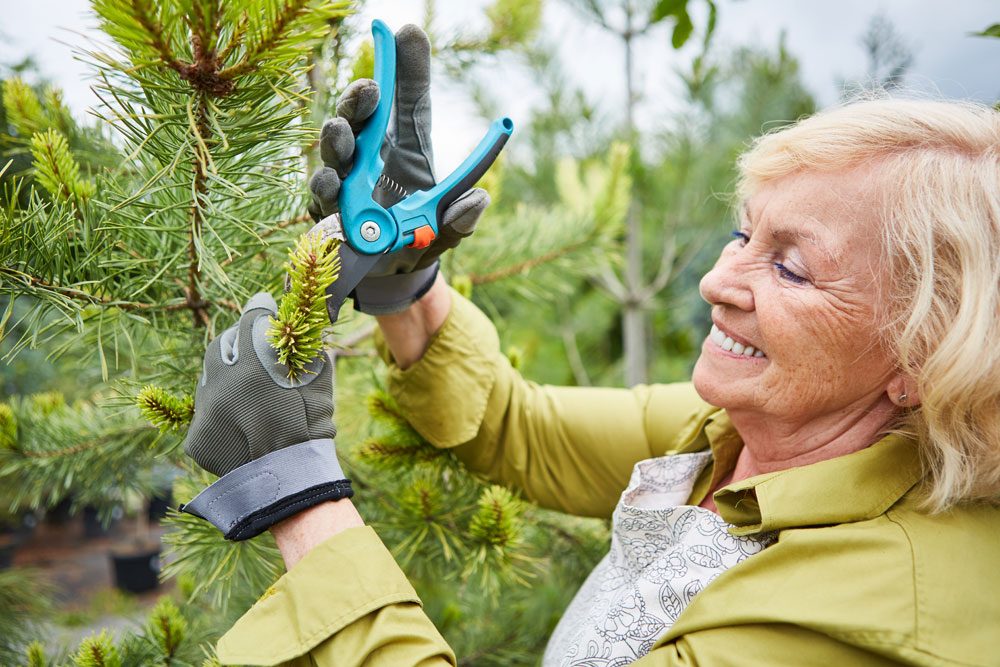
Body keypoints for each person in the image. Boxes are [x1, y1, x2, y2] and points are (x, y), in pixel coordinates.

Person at [179, 24, 1000, 667]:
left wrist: (294, 493)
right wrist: (404, 289)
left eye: (789, 267)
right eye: (741, 232)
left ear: (924, 359)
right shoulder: (733, 438)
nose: (719, 283)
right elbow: (518, 428)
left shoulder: (866, 610)